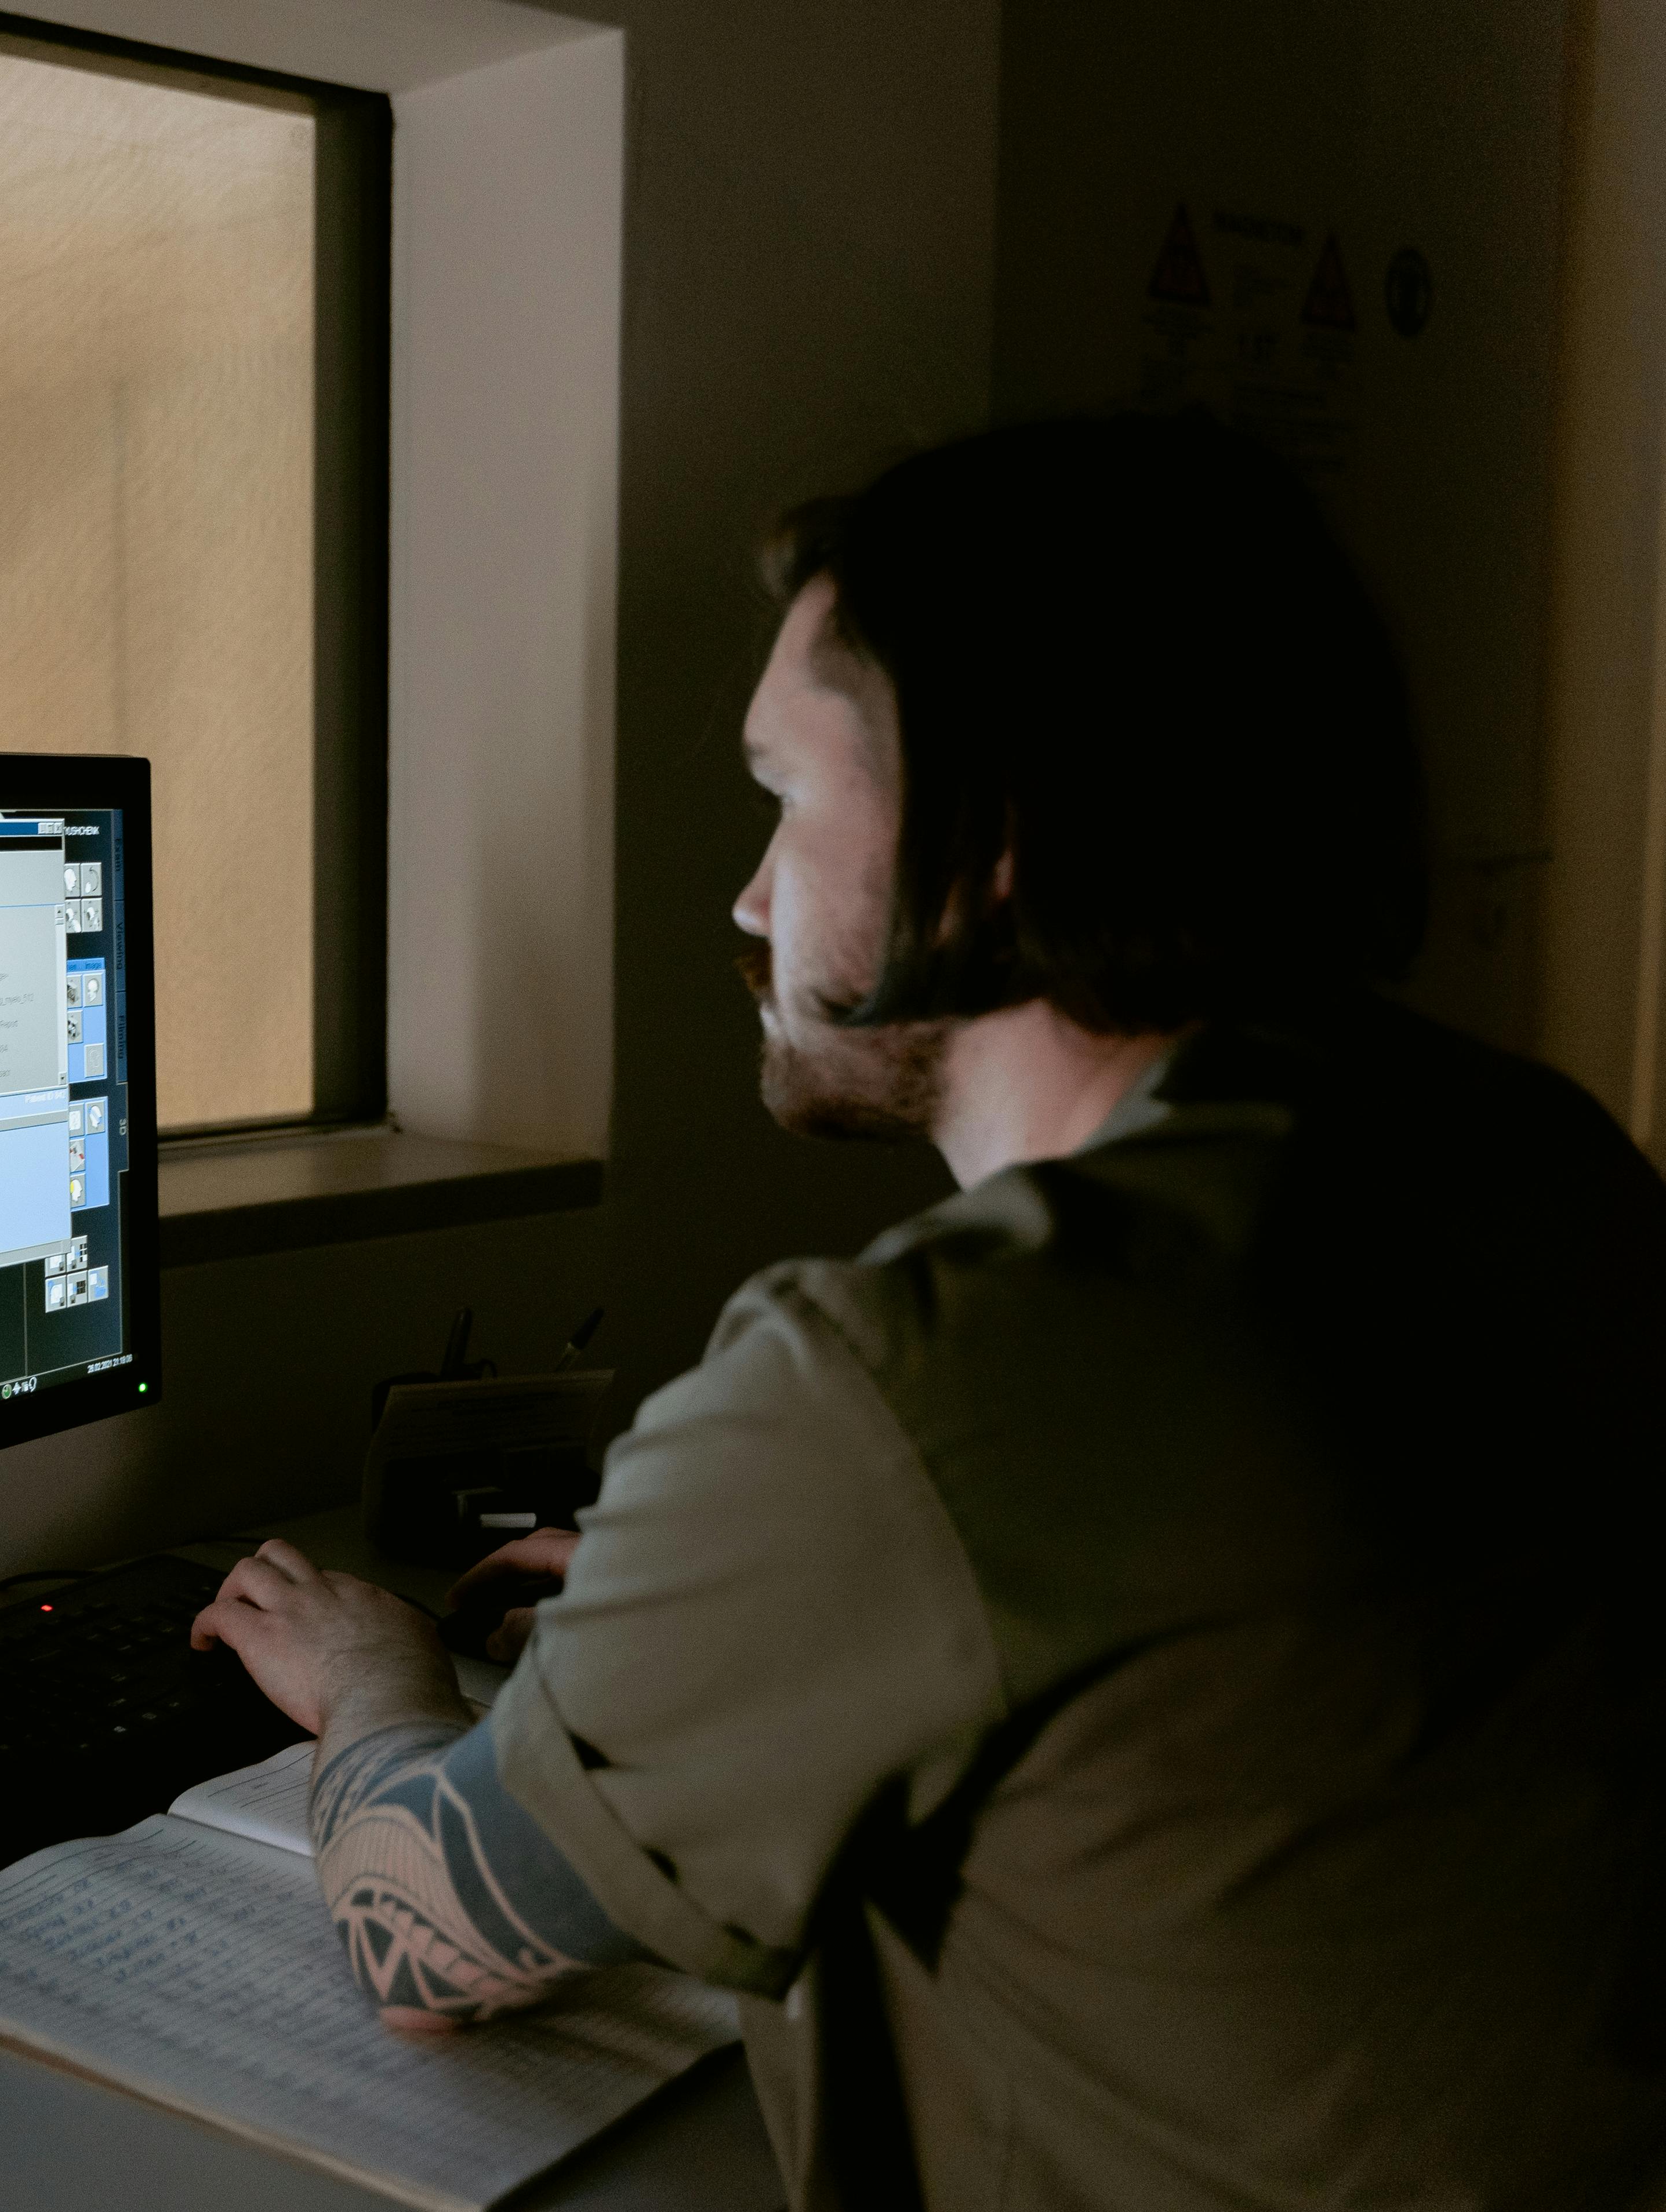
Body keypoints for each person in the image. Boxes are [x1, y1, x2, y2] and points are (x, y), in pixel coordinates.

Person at [193, 413, 1666, 2210]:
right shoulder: (1531, 1151)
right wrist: (734, 1591)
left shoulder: (918, 1375)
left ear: (997, 841)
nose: (747, 894)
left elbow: (422, 1940)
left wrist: (374, 1672)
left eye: (785, 797)